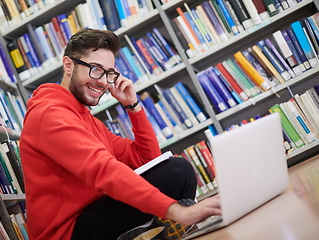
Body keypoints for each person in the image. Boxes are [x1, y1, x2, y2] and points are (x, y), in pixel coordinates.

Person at [19, 28, 221, 240]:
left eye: (109, 73)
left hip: (92, 214)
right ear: (68, 65)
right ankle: (158, 228)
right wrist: (176, 211)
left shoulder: (87, 119)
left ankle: (154, 231)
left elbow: (147, 159)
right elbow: (103, 169)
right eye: (96, 69)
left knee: (179, 173)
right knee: (177, 172)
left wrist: (133, 107)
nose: (104, 82)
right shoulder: (49, 114)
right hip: (68, 233)